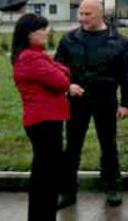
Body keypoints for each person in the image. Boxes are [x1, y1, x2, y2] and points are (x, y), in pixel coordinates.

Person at [55, 0, 128, 208]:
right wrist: (67, 85)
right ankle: (67, 191)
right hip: (76, 100)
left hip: (105, 99)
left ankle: (112, 186)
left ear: (100, 13)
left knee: (108, 145)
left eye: (87, 14)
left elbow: (127, 75)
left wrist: (125, 103)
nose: (83, 18)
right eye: (81, 14)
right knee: (72, 146)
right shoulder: (69, 40)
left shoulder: (118, 41)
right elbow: (57, 70)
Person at [12, 14, 84, 221]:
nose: (47, 32)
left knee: (44, 172)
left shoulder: (35, 55)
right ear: (29, 35)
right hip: (44, 121)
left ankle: (41, 215)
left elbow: (61, 71)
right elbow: (60, 79)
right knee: (48, 175)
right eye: (42, 29)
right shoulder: (31, 57)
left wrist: (62, 76)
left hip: (43, 120)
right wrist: (66, 82)